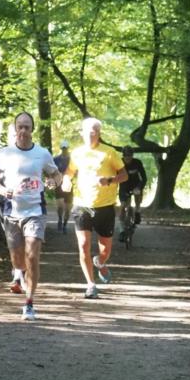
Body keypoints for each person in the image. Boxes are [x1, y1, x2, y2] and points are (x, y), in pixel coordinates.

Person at [0, 112, 62, 320]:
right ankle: (18, 272)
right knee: (18, 258)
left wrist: (54, 183)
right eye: (20, 127)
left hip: (36, 211)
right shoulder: (4, 154)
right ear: (15, 129)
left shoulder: (42, 154)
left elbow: (56, 174)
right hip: (12, 211)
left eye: (27, 127)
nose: (23, 131)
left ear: (32, 130)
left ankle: (29, 303)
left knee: (32, 256)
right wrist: (2, 191)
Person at [63, 117, 127, 299]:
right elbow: (69, 171)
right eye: (86, 132)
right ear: (81, 133)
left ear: (99, 133)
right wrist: (67, 179)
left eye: (93, 132)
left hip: (105, 207)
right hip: (82, 205)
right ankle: (90, 284)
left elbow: (124, 175)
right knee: (83, 245)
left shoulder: (109, 153)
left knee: (105, 250)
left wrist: (110, 180)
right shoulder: (76, 153)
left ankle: (99, 262)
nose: (89, 135)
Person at [119, 146, 147, 227]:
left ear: (132, 155)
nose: (128, 157)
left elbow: (144, 178)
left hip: (136, 184)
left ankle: (137, 211)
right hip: (124, 186)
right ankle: (122, 228)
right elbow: (114, 177)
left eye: (129, 155)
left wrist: (139, 187)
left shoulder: (137, 162)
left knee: (137, 197)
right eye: (125, 155)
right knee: (123, 206)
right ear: (123, 155)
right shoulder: (119, 163)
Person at [53, 140, 73, 234]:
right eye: (63, 148)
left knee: (68, 208)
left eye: (66, 148)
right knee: (60, 205)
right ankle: (60, 219)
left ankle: (65, 224)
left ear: (68, 148)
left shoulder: (72, 160)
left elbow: (76, 171)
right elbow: (51, 171)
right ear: (61, 148)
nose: (64, 150)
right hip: (58, 184)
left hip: (69, 185)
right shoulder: (56, 159)